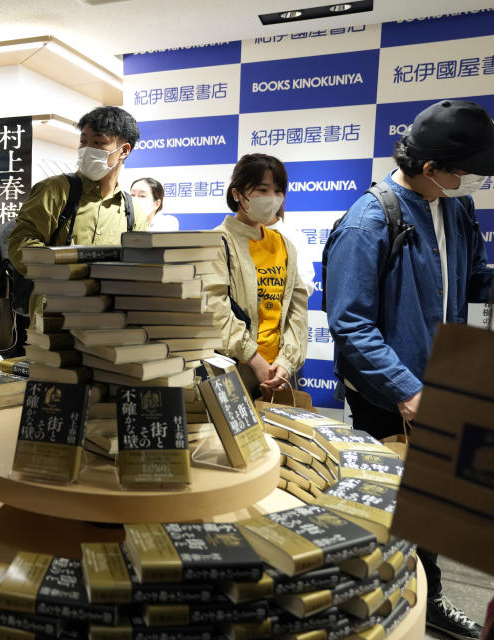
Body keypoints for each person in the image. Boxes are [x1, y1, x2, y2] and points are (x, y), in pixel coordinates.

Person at [324, 99, 493, 640]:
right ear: (431, 169)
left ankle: (432, 600)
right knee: (390, 512)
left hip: (444, 387)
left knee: (435, 509)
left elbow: (472, 282)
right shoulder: (368, 220)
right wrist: (405, 391)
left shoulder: (455, 210)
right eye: (463, 171)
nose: (469, 181)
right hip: (389, 397)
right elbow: (350, 325)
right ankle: (380, 611)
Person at [8, 106, 147, 323]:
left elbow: (139, 265)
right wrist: (65, 273)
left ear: (124, 150)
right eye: (83, 141)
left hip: (109, 320)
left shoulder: (132, 211)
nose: (87, 149)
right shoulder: (54, 190)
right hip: (54, 316)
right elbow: (20, 243)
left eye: (98, 143)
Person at [207, 153, 309, 397]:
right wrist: (255, 359)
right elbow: (215, 308)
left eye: (278, 191)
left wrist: (285, 363)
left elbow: (297, 310)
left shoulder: (285, 245)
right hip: (233, 369)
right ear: (237, 194)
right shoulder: (216, 241)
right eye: (262, 190)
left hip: (277, 374)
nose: (271, 198)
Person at [265, 207, 316, 296]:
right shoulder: (235, 237)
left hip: (285, 308)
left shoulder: (295, 237)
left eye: (277, 192)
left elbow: (304, 286)